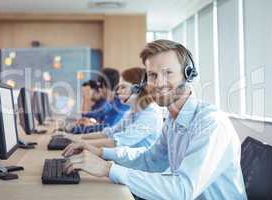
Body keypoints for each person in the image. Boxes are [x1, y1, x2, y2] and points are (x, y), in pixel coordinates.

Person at [62, 40, 247, 200]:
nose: (158, 83)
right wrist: (101, 153)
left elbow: (182, 190)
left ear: (188, 74)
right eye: (152, 75)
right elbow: (150, 161)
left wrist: (108, 169)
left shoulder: (210, 123)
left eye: (168, 73)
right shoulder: (172, 121)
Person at [72, 67, 164, 148]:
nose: (118, 91)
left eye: (123, 87)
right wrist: (78, 139)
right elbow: (110, 132)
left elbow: (118, 141)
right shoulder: (132, 111)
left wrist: (81, 141)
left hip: (138, 166)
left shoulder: (149, 115)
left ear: (137, 90)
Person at [72, 68, 130, 134]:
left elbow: (107, 128)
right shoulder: (110, 104)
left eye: (99, 85)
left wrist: (75, 129)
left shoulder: (120, 105)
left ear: (105, 85)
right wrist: (87, 121)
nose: (99, 89)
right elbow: (98, 119)